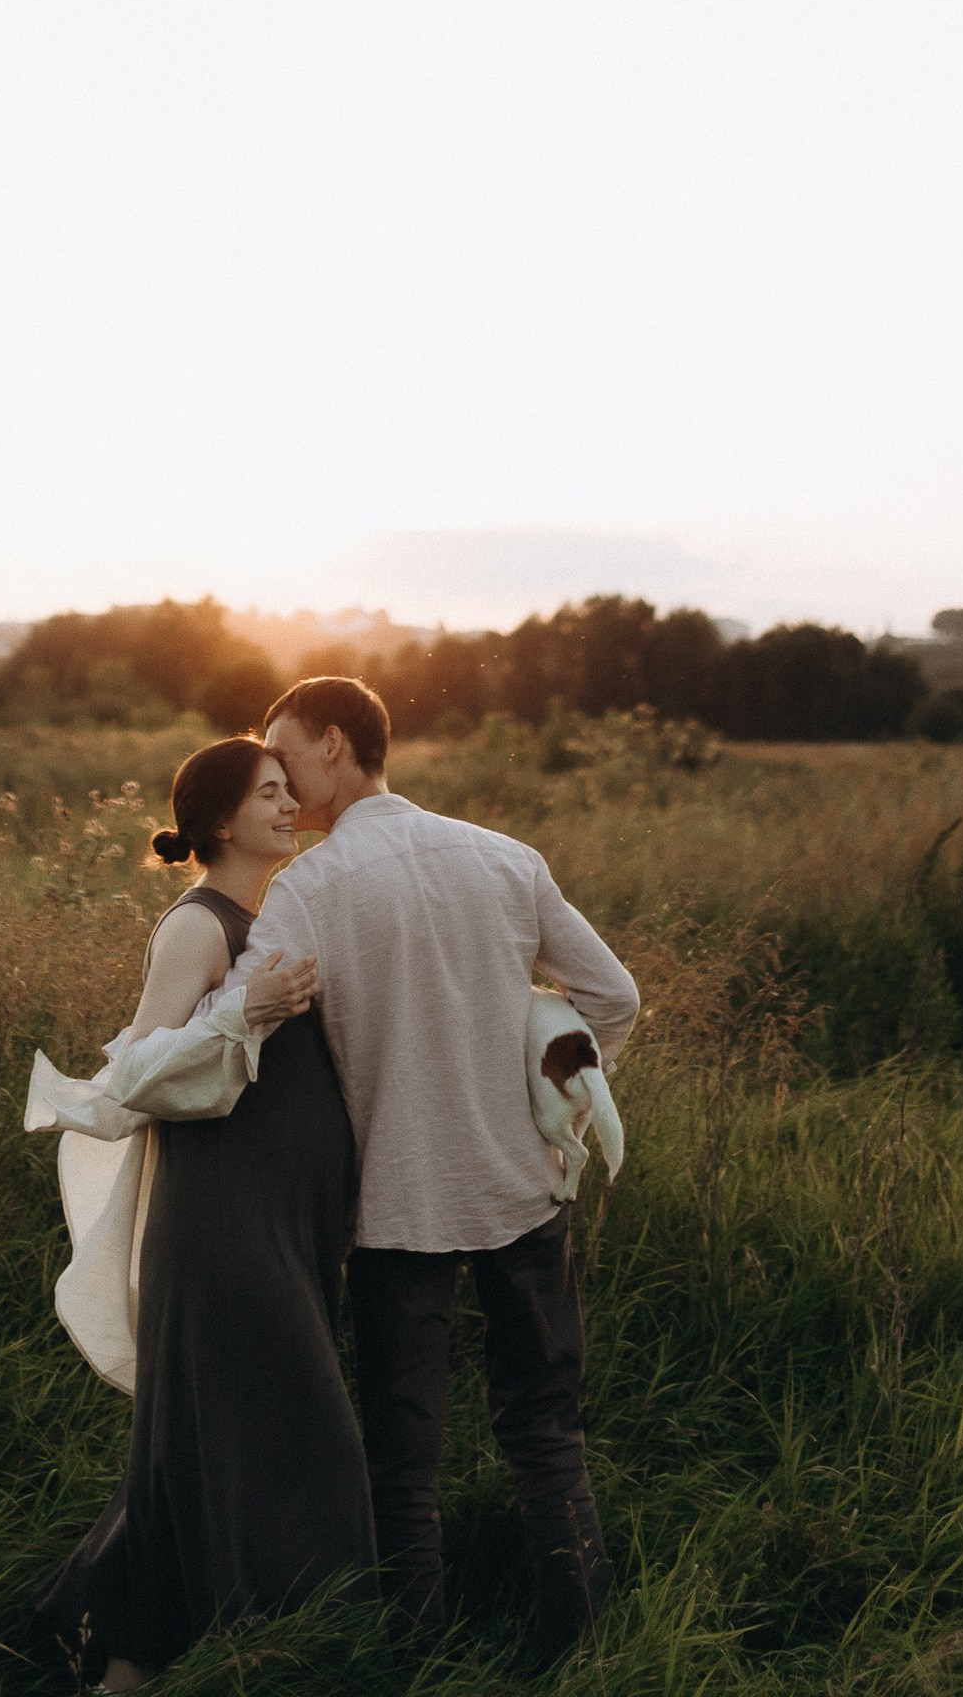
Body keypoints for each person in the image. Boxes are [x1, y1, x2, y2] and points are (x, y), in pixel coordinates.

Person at [224, 676, 639, 1653]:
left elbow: (232, 1030)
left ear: (334, 743)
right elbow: (610, 997)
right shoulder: (503, 857)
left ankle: (416, 1662)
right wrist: (559, 1100)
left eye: (283, 753)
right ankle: (580, 1648)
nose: (277, 776)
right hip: (525, 1186)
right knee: (545, 1434)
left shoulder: (308, 893)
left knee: (402, 1464)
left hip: (395, 1206)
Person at [34, 736, 377, 1691]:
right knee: (304, 1434)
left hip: (276, 1219)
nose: (288, 804)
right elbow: (136, 1072)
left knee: (214, 1437)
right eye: (269, 793)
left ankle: (133, 1660)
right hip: (224, 1226)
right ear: (221, 821)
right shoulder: (199, 926)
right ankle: (289, 1644)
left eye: (287, 788)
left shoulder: (264, 914)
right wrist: (249, 1012)